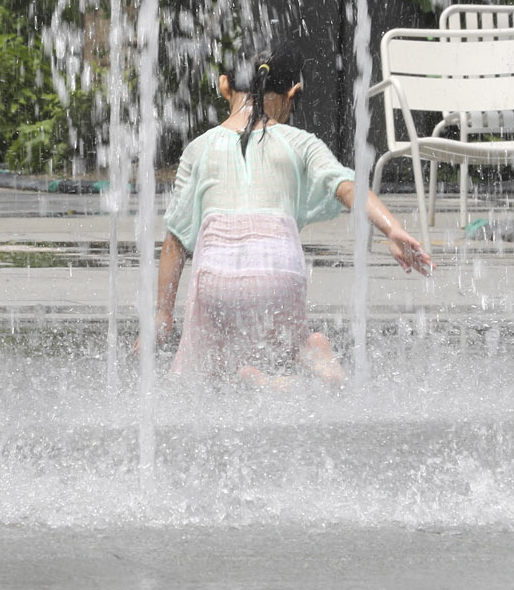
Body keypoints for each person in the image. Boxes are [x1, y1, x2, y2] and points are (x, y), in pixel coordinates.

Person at [155, 44, 433, 386]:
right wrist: (392, 230)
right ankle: (307, 352)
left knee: (206, 367)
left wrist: (163, 313)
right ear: (293, 92)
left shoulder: (199, 148)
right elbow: (347, 186)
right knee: (287, 335)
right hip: (280, 273)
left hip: (217, 278)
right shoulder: (299, 141)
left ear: (224, 86)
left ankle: (247, 380)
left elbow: (175, 239)